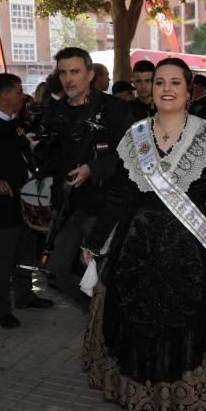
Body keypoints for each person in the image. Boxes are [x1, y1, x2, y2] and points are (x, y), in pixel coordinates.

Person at [81, 58, 206, 411]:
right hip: (138, 244)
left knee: (192, 318)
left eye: (175, 82)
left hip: (195, 241)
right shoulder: (135, 135)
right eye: (160, 83)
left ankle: (182, 396)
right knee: (137, 318)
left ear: (189, 88)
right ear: (151, 89)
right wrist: (95, 242)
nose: (167, 89)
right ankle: (148, 397)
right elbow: (119, 194)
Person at [39, 47, 131, 298]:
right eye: (63, 72)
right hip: (69, 208)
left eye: (75, 71)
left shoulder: (114, 109)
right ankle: (94, 314)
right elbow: (53, 161)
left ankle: (103, 322)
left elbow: (131, 154)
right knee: (57, 269)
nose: (69, 78)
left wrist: (94, 168)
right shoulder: (54, 112)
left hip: (105, 206)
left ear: (90, 74)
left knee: (102, 273)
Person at [0, 73, 54, 329]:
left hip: (25, 199)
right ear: (4, 95)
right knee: (0, 258)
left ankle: (24, 295)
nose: (23, 95)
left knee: (26, 251)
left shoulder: (16, 123)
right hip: (1, 204)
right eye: (17, 91)